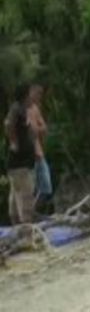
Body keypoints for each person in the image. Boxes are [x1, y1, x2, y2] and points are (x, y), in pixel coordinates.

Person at [3, 84, 36, 225]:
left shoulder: (22, 110)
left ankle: (17, 226)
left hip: (22, 163)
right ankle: (26, 229)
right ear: (26, 94)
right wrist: (14, 142)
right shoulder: (17, 108)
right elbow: (8, 124)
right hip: (19, 163)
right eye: (31, 93)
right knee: (25, 195)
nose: (33, 97)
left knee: (16, 195)